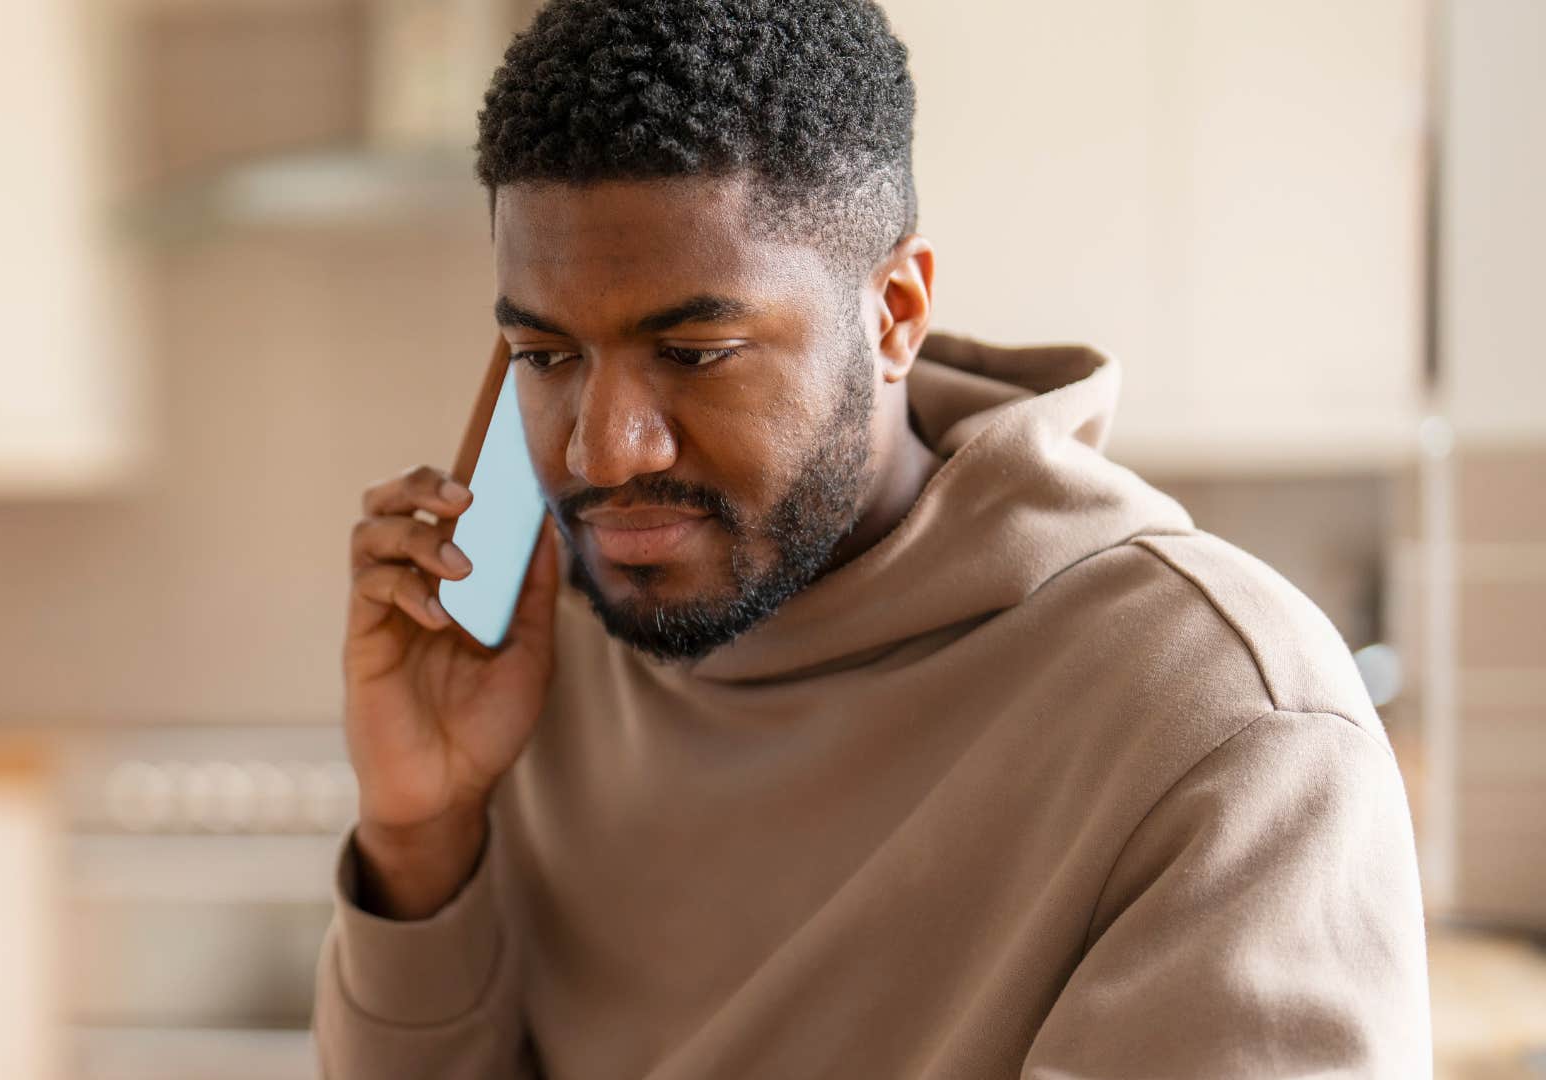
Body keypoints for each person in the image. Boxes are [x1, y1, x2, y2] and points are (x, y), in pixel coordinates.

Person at [317, 1, 1431, 1076]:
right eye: (547, 357)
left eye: (697, 351)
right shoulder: (528, 653)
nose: (606, 455)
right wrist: (422, 837)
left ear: (895, 311)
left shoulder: (1225, 723)